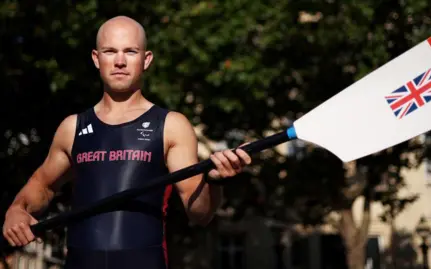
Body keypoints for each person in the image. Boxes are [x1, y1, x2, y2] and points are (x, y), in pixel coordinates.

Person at [2, 16, 252, 269]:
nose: (120, 61)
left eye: (130, 51)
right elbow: (42, 186)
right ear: (96, 58)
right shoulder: (72, 128)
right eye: (110, 51)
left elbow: (199, 214)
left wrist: (215, 182)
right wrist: (16, 209)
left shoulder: (170, 125)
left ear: (146, 59)